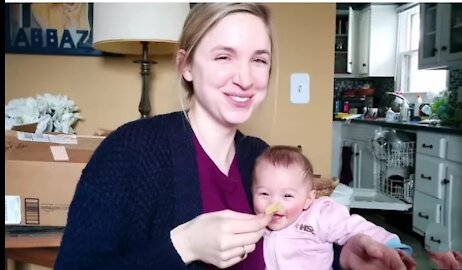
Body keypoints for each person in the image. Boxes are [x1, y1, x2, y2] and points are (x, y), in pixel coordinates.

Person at [55, 3, 427, 270]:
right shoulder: (131, 150)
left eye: (259, 59)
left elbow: (292, 246)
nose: (246, 79)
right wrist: (183, 245)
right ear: (186, 65)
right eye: (223, 57)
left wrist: (343, 257)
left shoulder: (260, 158)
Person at [252, 145, 462, 270]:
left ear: (308, 199)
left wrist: (393, 246)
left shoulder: (319, 215)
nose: (274, 204)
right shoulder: (253, 223)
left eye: (287, 195)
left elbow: (356, 228)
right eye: (264, 194)